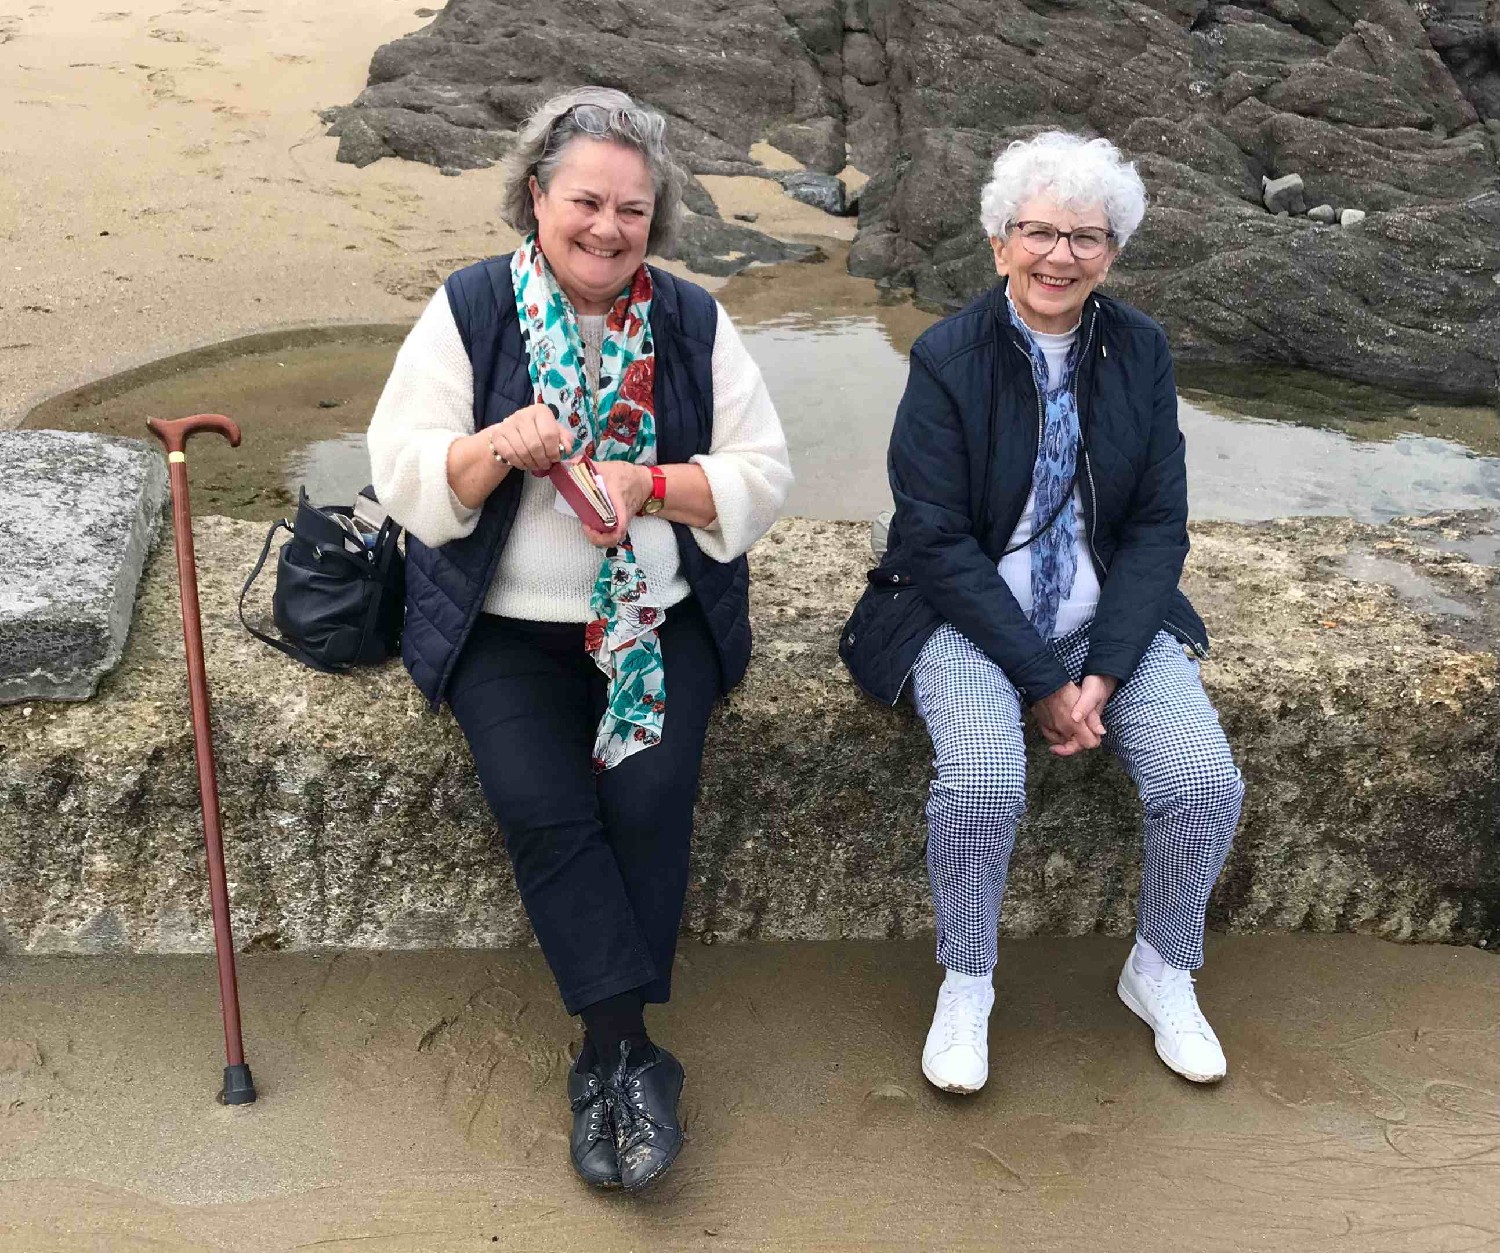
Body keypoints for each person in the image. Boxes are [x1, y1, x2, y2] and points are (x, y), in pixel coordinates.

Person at [367, 86, 791, 1191]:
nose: (608, 228)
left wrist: (645, 480)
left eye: (633, 211)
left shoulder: (694, 322)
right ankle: (626, 1049)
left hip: (656, 622)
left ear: (657, 222)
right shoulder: (470, 308)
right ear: (535, 198)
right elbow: (409, 473)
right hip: (504, 629)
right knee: (544, 805)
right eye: (586, 202)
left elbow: (763, 472)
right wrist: (495, 448)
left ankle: (610, 1053)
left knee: (648, 801)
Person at [839, 131, 1244, 1093]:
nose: (1061, 255)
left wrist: (1099, 671)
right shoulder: (945, 357)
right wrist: (1044, 680)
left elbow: (1157, 524)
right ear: (999, 243)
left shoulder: (1141, 351)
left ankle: (1161, 966)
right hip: (970, 619)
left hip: (1110, 624)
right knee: (982, 779)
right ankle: (967, 981)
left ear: (1113, 251)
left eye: (1087, 237)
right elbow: (932, 539)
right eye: (1040, 232)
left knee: (1204, 780)